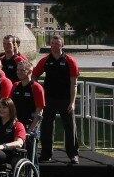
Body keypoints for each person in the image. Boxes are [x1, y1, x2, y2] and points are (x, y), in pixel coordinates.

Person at [33, 33, 80, 163]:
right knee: (46, 127)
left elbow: (74, 84)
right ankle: (46, 153)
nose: (54, 46)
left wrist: (72, 102)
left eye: (57, 44)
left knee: (70, 127)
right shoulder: (45, 60)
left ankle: (73, 154)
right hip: (48, 99)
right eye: (52, 44)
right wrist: (38, 89)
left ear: (62, 45)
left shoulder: (70, 61)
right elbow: (34, 76)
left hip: (65, 99)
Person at [11, 59, 44, 137]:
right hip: (16, 123)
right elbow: (11, 105)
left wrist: (30, 130)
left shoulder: (36, 87)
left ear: (30, 72)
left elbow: (39, 110)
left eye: (22, 70)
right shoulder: (15, 85)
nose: (18, 72)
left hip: (30, 125)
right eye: (17, 70)